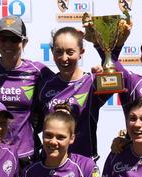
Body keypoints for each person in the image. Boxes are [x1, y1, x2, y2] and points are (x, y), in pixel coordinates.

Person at [0, 15, 54, 165]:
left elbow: (64, 87)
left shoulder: (38, 71)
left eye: (14, 39)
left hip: (25, 154)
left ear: (24, 42)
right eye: (3, 38)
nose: (8, 44)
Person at [36, 27, 113, 160]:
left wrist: (102, 52)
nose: (64, 58)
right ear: (52, 52)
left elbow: (118, 80)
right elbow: (34, 123)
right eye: (58, 52)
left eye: (70, 52)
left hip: (83, 165)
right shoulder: (44, 85)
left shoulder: (92, 82)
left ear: (81, 52)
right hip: (50, 163)